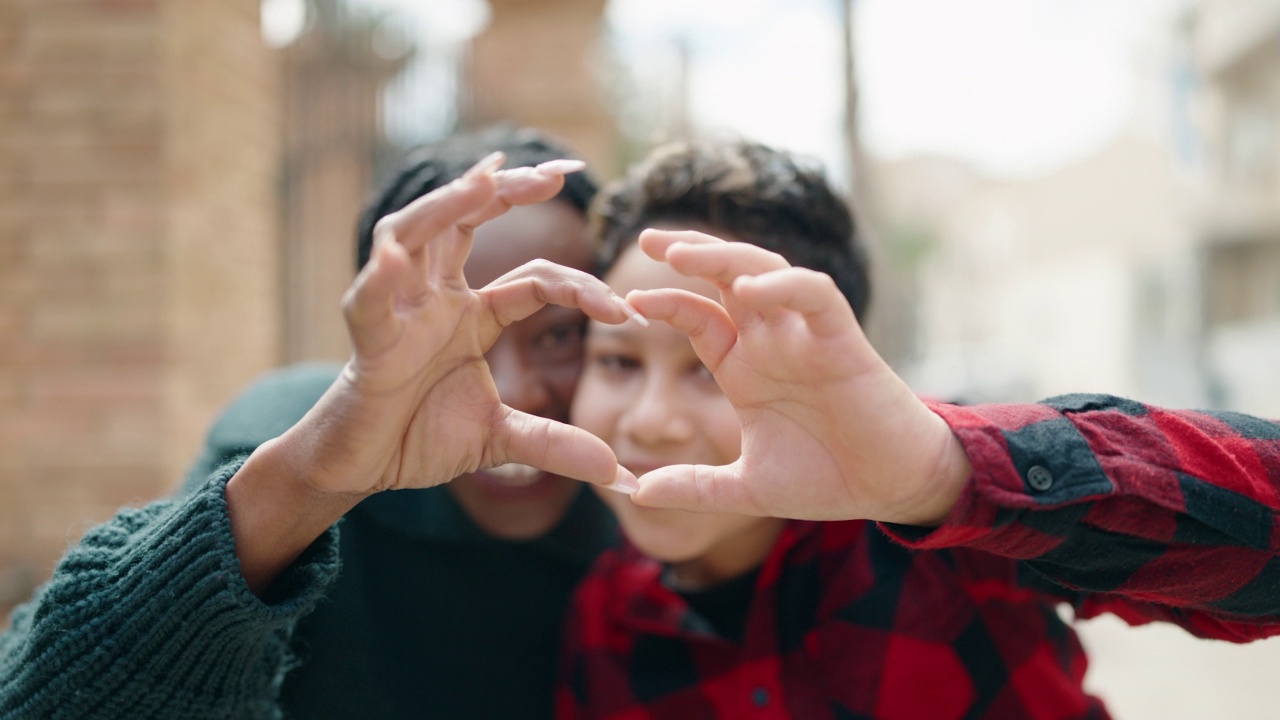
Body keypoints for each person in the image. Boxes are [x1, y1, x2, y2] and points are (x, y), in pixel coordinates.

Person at [557, 138, 1280, 719]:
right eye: (617, 361)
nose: (650, 420)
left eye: (711, 366)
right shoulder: (602, 622)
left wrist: (943, 476)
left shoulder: (942, 507)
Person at [0, 126, 639, 720]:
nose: (514, 391)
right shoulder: (278, 445)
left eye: (561, 335)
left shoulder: (661, 500)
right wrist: (305, 484)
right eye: (449, 340)